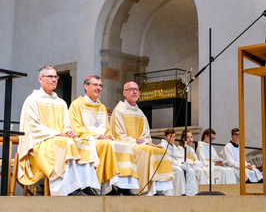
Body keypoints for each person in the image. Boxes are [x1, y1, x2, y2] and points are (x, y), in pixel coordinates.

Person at [17, 65, 100, 196]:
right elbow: (34, 127)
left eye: (55, 76)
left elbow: (66, 125)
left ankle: (86, 185)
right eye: (50, 76)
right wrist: (59, 134)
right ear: (40, 79)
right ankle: (68, 189)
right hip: (41, 142)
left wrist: (69, 132)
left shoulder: (61, 102)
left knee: (84, 142)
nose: (54, 79)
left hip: (59, 139)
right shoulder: (32, 100)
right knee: (67, 144)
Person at [68, 75, 139, 195]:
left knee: (124, 145)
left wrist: (109, 136)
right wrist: (97, 136)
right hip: (88, 139)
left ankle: (123, 186)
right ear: (86, 86)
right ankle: (108, 188)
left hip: (102, 140)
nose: (98, 88)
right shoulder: (76, 105)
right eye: (95, 85)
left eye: (100, 85)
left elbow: (108, 129)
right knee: (108, 146)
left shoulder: (101, 107)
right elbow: (76, 127)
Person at [110, 81, 174, 196]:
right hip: (127, 146)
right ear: (124, 93)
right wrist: (136, 142)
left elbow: (146, 135)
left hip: (140, 145)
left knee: (161, 150)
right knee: (147, 151)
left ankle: (157, 189)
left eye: (136, 89)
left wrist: (144, 141)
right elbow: (119, 135)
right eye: (131, 89)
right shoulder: (119, 110)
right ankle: (144, 188)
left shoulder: (140, 112)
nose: (135, 92)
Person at [159, 129, 198, 196]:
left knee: (190, 171)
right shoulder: (162, 146)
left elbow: (178, 157)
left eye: (174, 137)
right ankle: (179, 193)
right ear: (165, 137)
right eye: (170, 136)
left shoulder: (174, 147)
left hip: (175, 164)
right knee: (179, 170)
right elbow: (168, 159)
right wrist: (179, 164)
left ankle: (190, 193)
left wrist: (182, 163)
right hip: (167, 165)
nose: (172, 138)